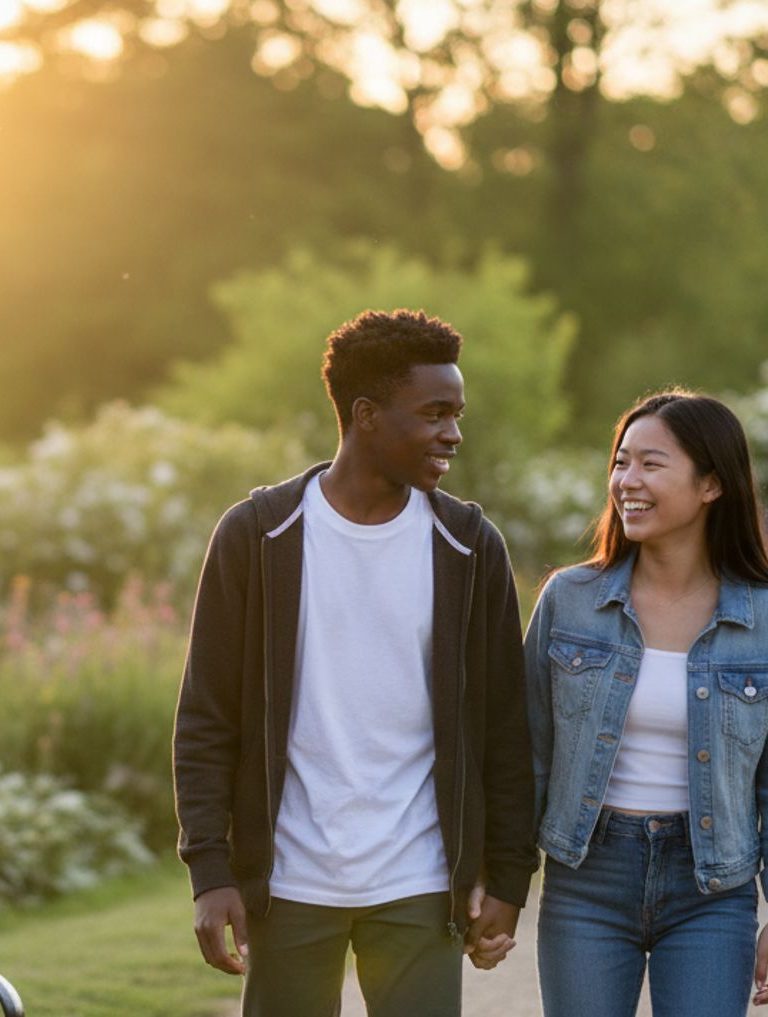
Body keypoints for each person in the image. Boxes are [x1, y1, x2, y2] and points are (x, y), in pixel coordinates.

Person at [173, 309, 536, 1017]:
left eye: (457, 413)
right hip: (290, 883)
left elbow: (503, 726)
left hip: (420, 881)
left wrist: (510, 874)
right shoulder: (257, 535)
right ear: (366, 414)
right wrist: (210, 870)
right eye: (435, 413)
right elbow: (206, 716)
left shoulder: (468, 545)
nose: (453, 433)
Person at [526, 391, 768, 1016]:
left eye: (650, 465)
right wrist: (499, 882)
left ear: (711, 484)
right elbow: (528, 753)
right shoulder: (569, 600)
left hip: (713, 889)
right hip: (587, 882)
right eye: (621, 462)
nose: (626, 482)